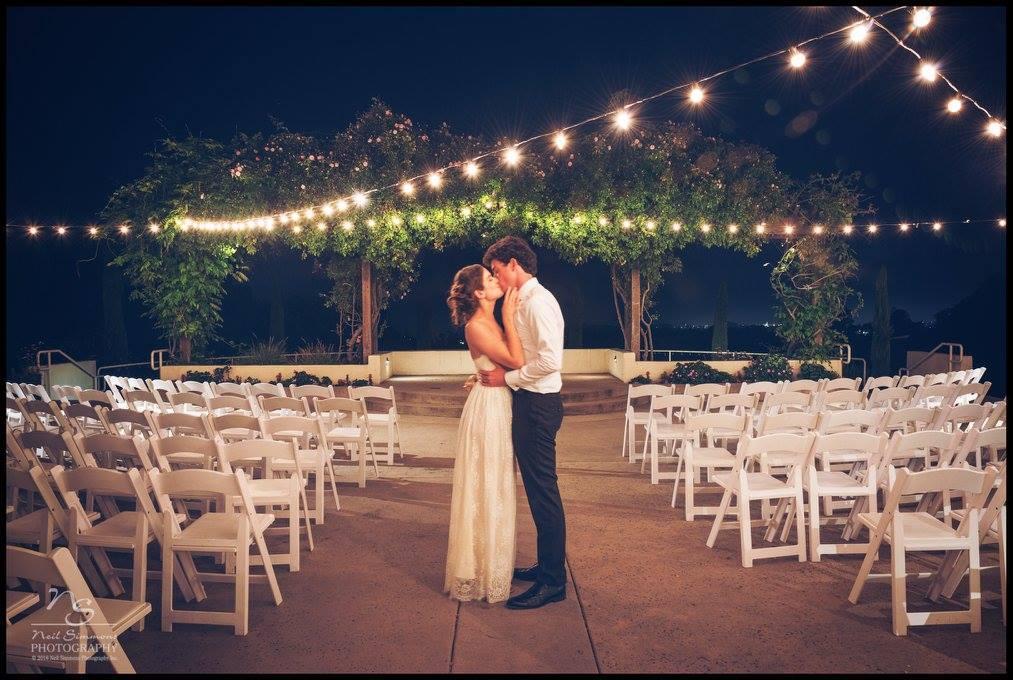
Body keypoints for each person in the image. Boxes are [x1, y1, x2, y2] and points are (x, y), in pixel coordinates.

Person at [479, 235, 567, 610]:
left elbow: (550, 361)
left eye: (497, 270)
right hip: (530, 402)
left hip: (538, 405)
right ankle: (546, 567)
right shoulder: (523, 301)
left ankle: (553, 582)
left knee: (544, 494)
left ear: (514, 264)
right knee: (536, 492)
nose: (496, 278)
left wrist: (507, 379)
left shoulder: (538, 302)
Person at [444, 264, 524, 603]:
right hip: (489, 410)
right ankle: (478, 570)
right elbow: (516, 361)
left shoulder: (488, 321)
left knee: (497, 483)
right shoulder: (476, 325)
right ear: (479, 292)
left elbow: (497, 364)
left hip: (498, 401)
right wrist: (509, 315)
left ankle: (495, 566)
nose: (496, 281)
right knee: (486, 484)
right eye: (490, 279)